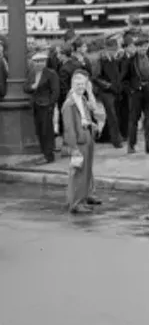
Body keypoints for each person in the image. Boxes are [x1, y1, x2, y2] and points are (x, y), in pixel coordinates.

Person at [62, 69, 102, 214]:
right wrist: (73, 148)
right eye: (78, 84)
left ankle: (82, 200)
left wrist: (91, 124)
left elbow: (87, 114)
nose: (81, 87)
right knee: (78, 173)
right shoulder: (69, 104)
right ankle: (75, 203)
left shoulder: (83, 99)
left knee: (85, 172)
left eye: (83, 84)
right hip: (79, 140)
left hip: (87, 136)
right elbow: (69, 128)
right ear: (72, 85)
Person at [27, 51, 60, 164]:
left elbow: (55, 92)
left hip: (46, 106)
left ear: (45, 62)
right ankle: (44, 153)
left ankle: (49, 155)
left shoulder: (51, 73)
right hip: (36, 105)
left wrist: (51, 105)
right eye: (36, 62)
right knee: (39, 130)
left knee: (47, 131)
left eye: (41, 61)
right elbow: (25, 87)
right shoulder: (32, 73)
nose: (39, 64)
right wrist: (32, 87)